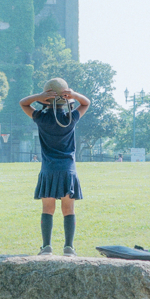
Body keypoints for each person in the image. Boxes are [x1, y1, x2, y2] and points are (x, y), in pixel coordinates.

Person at [19, 78, 90, 257]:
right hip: (68, 170)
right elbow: (86, 103)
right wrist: (73, 94)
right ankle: (69, 248)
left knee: (47, 210)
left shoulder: (41, 118)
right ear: (66, 101)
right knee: (69, 210)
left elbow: (23, 103)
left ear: (46, 101)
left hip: (49, 169)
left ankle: (46, 247)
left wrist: (39, 97)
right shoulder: (70, 118)